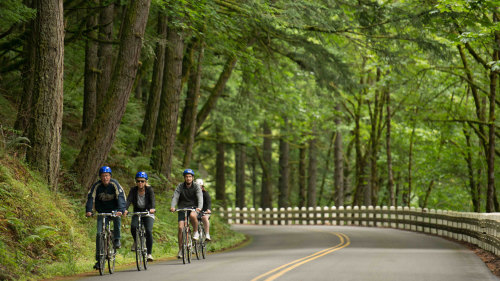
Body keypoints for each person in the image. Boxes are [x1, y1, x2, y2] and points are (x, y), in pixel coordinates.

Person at [85, 166, 126, 270]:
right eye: (103, 176)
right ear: (100, 177)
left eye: (107, 176)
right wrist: (89, 210)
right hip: (102, 212)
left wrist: (121, 210)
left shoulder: (114, 184)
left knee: (117, 219)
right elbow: (90, 198)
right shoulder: (96, 186)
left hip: (114, 210)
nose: (105, 178)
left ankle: (117, 238)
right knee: (99, 234)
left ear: (110, 176)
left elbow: (121, 197)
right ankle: (99, 260)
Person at [170, 169, 203, 259]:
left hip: (193, 207)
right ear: (184, 178)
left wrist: (199, 207)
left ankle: (195, 231)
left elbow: (200, 197)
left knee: (192, 216)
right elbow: (175, 196)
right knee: (181, 227)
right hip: (182, 208)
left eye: (190, 176)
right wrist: (173, 206)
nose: (188, 178)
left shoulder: (196, 186)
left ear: (192, 178)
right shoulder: (180, 186)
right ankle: (181, 249)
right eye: (186, 177)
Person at [124, 171, 156, 262]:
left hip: (147, 213)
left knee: (148, 231)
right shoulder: (133, 190)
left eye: (142, 181)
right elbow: (129, 200)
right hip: (137, 212)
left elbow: (152, 200)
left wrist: (152, 208)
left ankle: (149, 254)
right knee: (133, 227)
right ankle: (136, 241)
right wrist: (125, 209)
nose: (140, 183)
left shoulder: (149, 190)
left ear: (146, 182)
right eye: (138, 181)